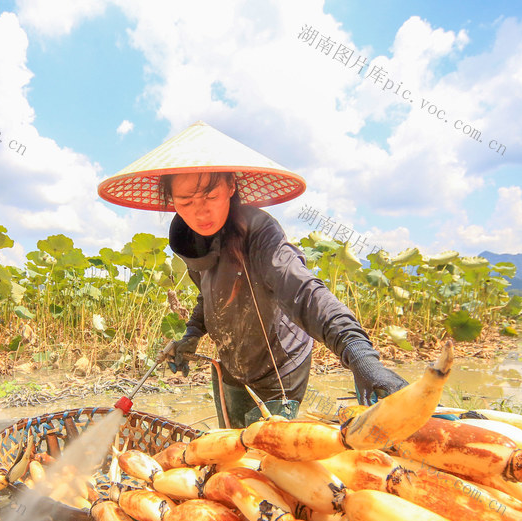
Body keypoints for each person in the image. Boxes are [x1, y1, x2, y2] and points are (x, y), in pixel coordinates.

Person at [99, 121, 407, 428]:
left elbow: (304, 292)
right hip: (231, 364)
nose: (200, 213)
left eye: (210, 196)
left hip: (279, 365)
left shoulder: (260, 234)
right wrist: (191, 335)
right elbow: (209, 298)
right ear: (172, 202)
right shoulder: (191, 243)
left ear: (230, 187)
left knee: (263, 457)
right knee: (231, 447)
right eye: (185, 202)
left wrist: (357, 351)